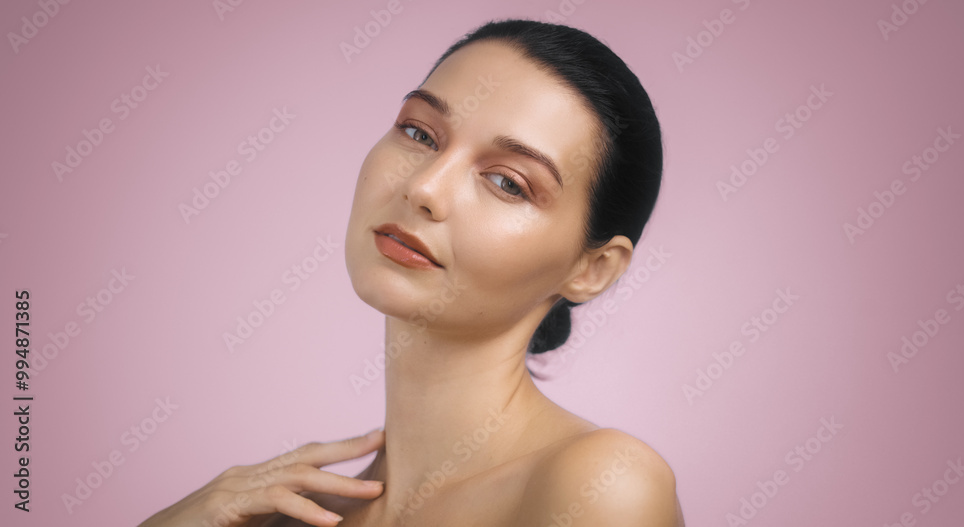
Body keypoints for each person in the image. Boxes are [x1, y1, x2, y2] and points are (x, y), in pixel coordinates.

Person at [140, 18, 683, 526]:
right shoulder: (282, 515)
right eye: (420, 134)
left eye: (507, 182)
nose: (424, 188)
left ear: (592, 269)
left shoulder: (604, 486)